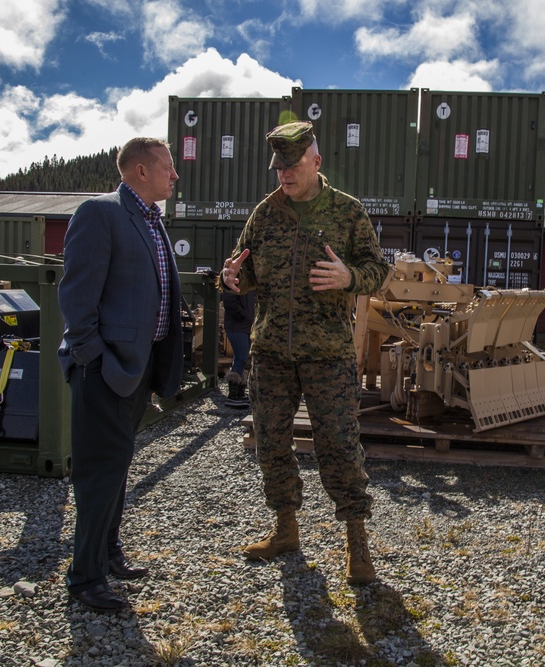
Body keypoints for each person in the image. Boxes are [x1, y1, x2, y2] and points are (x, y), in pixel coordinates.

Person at [220, 121, 390, 585]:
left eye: (292, 166)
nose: (284, 176)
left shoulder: (347, 212)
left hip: (328, 354)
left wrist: (349, 279)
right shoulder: (266, 213)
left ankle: (357, 547)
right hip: (272, 351)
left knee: (337, 445)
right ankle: (285, 530)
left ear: (316, 162)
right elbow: (244, 267)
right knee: (272, 443)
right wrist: (232, 278)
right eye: (278, 167)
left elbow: (379, 270)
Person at [57, 137, 184, 612]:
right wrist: (95, 360)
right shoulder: (100, 212)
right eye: (168, 168)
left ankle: (108, 553)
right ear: (139, 170)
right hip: (104, 370)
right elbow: (76, 298)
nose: (175, 176)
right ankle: (85, 578)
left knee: (117, 468)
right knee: (99, 473)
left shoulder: (151, 222)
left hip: (135, 370)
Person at [222, 289, 254, 409]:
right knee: (241, 358)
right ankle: (233, 396)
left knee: (242, 358)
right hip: (237, 325)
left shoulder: (247, 278)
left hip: (245, 325)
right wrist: (245, 315)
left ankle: (239, 393)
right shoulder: (233, 275)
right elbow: (229, 302)